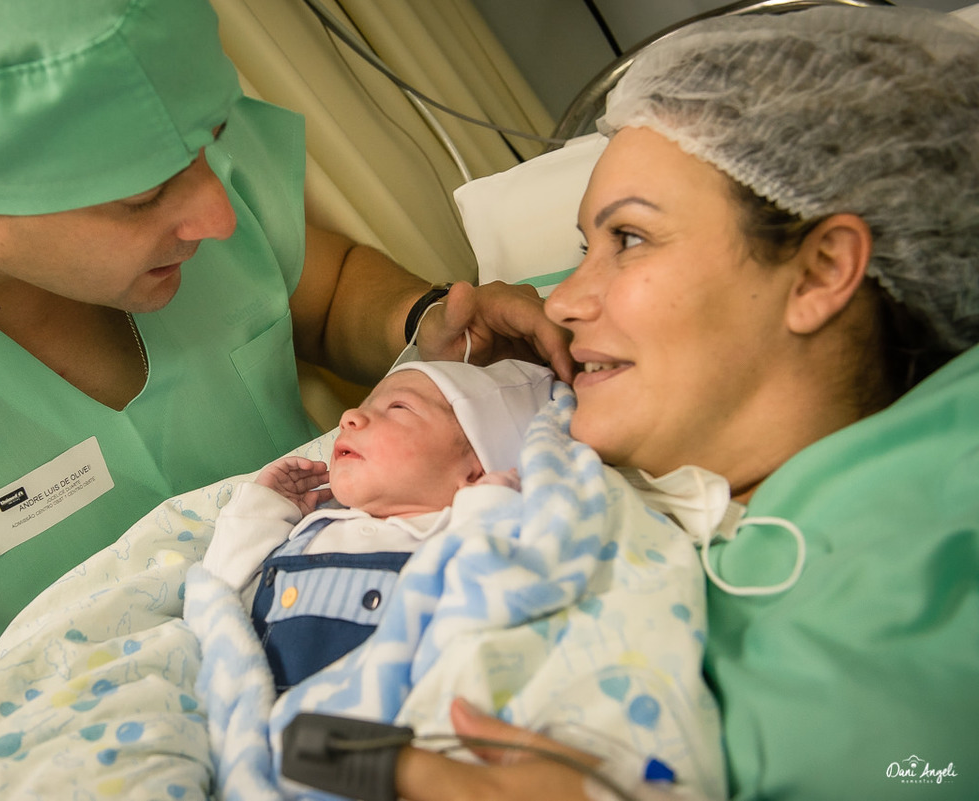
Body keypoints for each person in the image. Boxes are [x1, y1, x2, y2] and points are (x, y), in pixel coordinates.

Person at [0, 0, 573, 797]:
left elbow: (326, 291)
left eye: (211, 143)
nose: (217, 215)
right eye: (143, 196)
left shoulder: (162, 123)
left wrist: (426, 322)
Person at [390, 6, 979, 800]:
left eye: (628, 238)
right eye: (582, 249)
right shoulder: (550, 482)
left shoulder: (943, 538)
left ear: (820, 271)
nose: (561, 300)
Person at [202, 359, 554, 690]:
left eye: (398, 407)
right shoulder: (307, 532)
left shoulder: (461, 540)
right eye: (363, 405)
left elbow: (496, 603)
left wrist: (491, 506)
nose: (349, 416)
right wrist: (263, 509)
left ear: (475, 471)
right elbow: (218, 603)